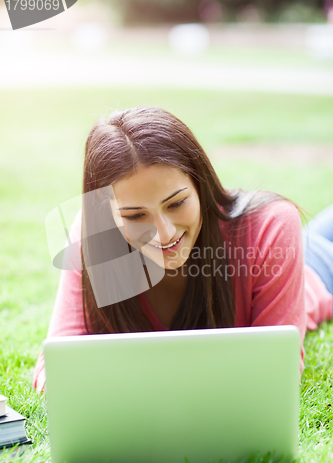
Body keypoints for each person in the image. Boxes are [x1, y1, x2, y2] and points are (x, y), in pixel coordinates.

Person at [33, 106, 333, 393]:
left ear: (200, 186)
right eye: (135, 216)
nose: (164, 233)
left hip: (319, 267)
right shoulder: (95, 235)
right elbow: (55, 368)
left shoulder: (270, 225)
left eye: (176, 203)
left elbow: (279, 371)